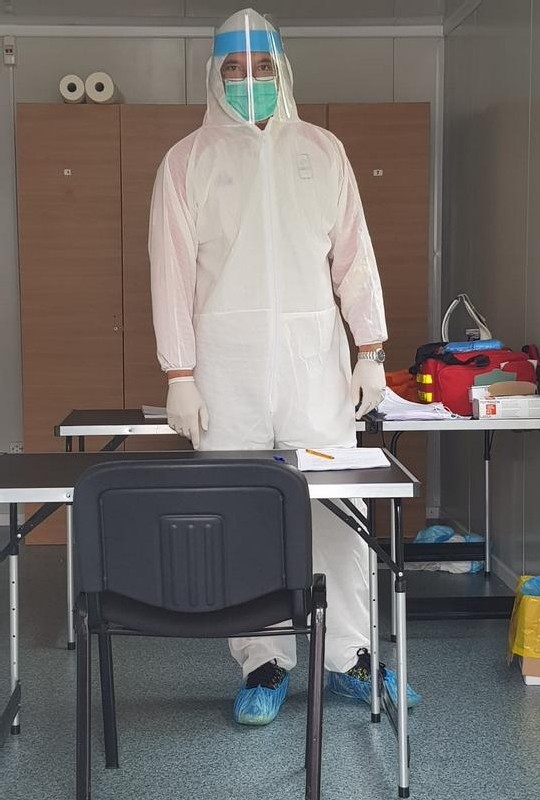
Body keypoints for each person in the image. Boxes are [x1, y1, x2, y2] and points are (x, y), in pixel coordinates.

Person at [149, 7, 420, 726]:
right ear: (215, 74)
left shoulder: (323, 151)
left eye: (261, 67)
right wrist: (179, 374)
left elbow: (355, 258)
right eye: (234, 69)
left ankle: (350, 656)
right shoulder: (187, 161)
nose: (249, 81)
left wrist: (371, 350)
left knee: (338, 514)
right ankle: (262, 661)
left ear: (282, 70)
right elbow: (170, 274)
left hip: (315, 369)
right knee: (242, 518)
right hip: (225, 373)